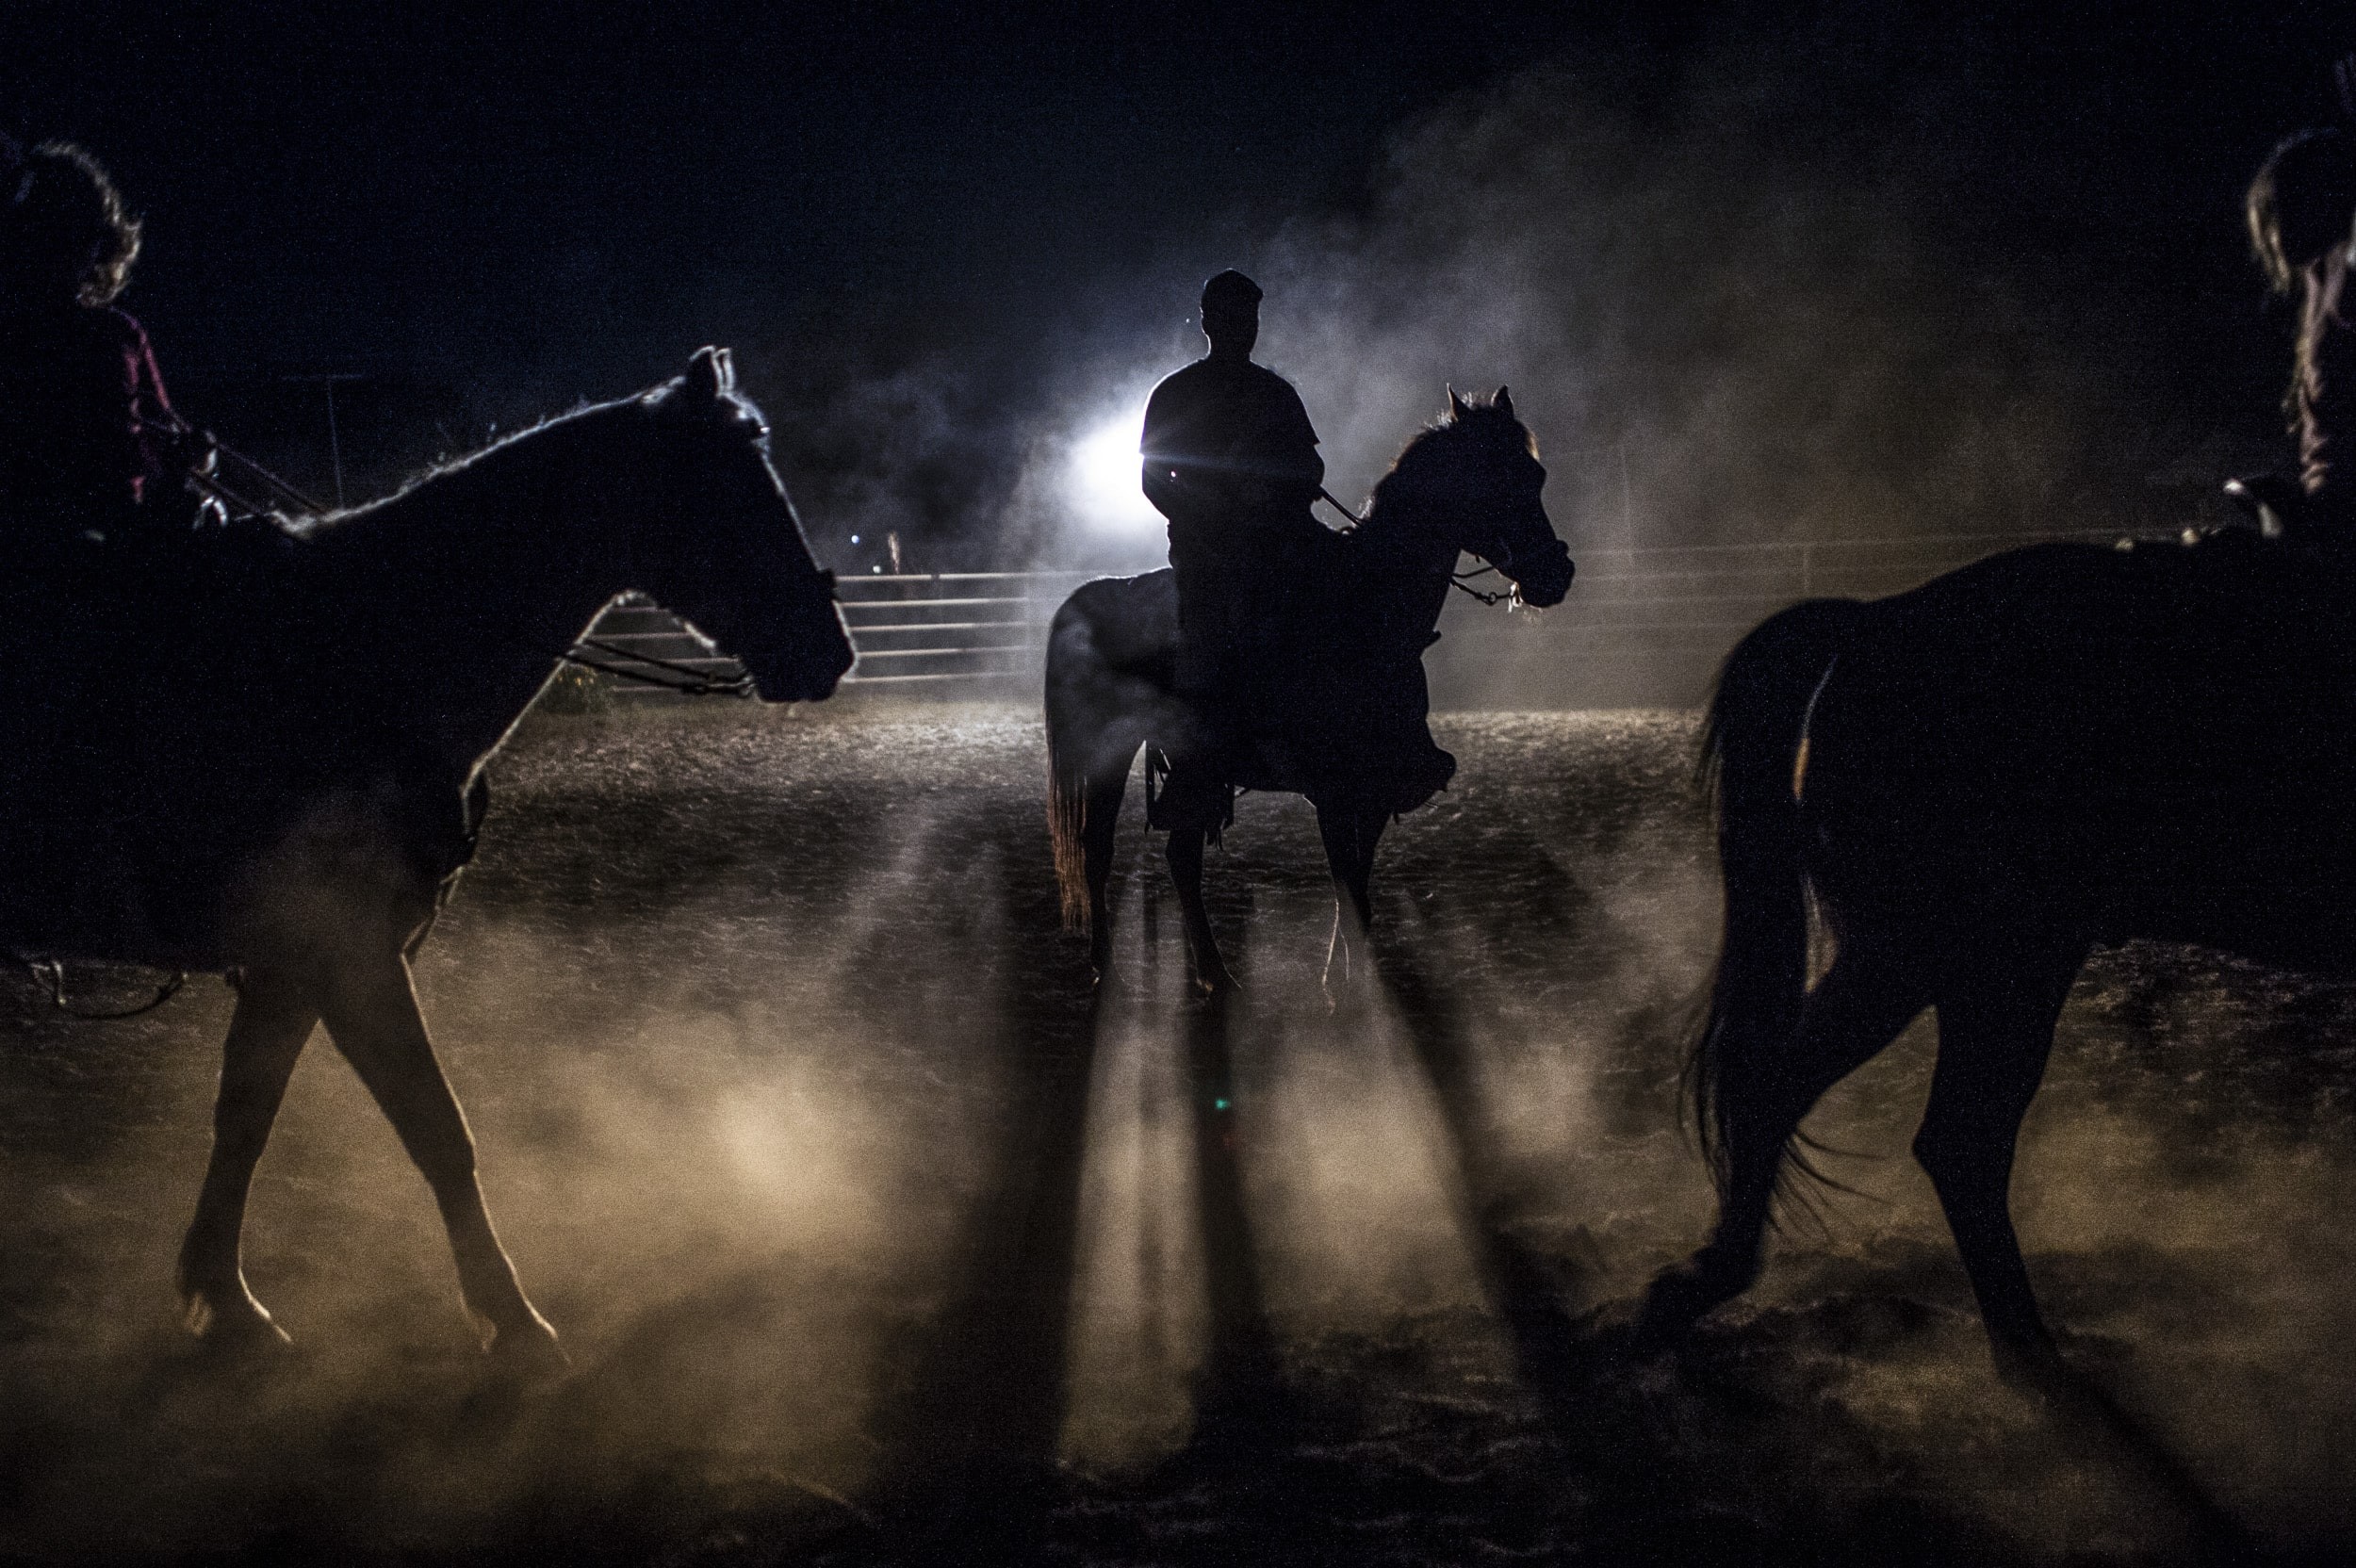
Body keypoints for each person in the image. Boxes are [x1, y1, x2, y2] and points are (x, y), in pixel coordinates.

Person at [0, 139, 206, 560]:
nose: (79, 248)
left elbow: (168, 441)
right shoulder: (99, 335)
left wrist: (196, 456)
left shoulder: (120, 334)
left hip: (118, 544)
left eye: (86, 232)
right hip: (69, 550)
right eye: (58, 231)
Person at [1140, 270, 1329, 704]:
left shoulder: (1276, 393)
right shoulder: (1177, 393)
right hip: (1206, 548)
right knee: (1208, 634)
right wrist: (1207, 520)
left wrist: (1295, 485)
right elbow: (1153, 480)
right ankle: (1198, 719)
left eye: (1250, 319)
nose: (1246, 329)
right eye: (1235, 318)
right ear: (1208, 323)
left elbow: (1310, 462)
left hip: (1279, 538)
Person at [2246, 126, 2356, 537]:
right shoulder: (2317, 277)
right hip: (2329, 512)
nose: (2268, 237)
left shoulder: (2345, 267)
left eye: (2272, 213)